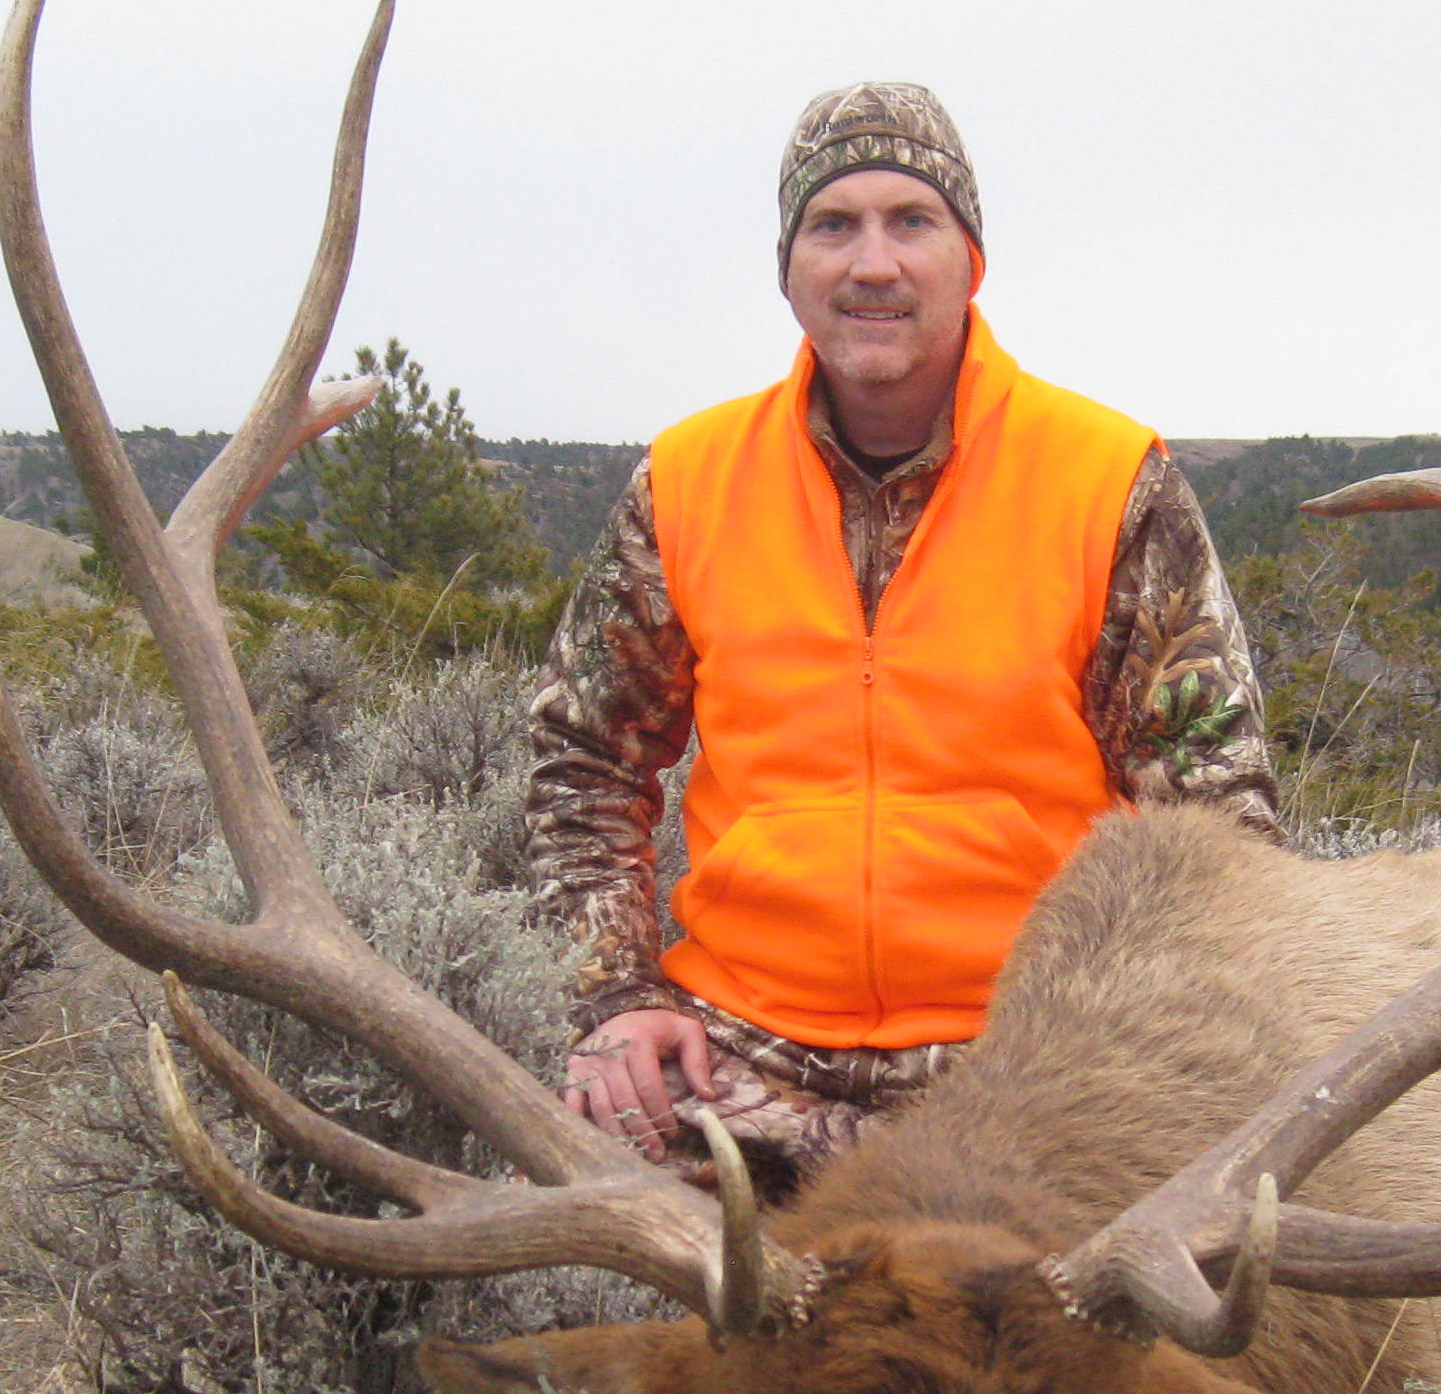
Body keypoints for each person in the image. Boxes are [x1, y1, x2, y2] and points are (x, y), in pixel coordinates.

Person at [527, 81, 1280, 1179]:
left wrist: (1138, 1042)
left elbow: (1219, 816)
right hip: (732, 1068)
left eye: (910, 221)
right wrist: (613, 999)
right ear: (789, 269)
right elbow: (583, 759)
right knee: (550, 1278)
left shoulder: (1108, 482)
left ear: (970, 260)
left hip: (1032, 1069)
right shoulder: (687, 483)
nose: (871, 263)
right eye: (832, 225)